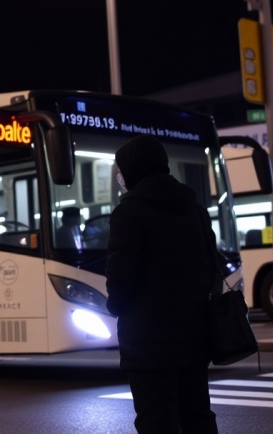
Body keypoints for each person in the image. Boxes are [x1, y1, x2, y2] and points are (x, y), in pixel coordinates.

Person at [105, 135, 220, 433]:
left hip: (147, 342)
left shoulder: (128, 212)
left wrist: (115, 307)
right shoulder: (194, 208)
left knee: (156, 419)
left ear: (132, 169)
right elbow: (211, 267)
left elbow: (120, 276)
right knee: (197, 415)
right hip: (195, 334)